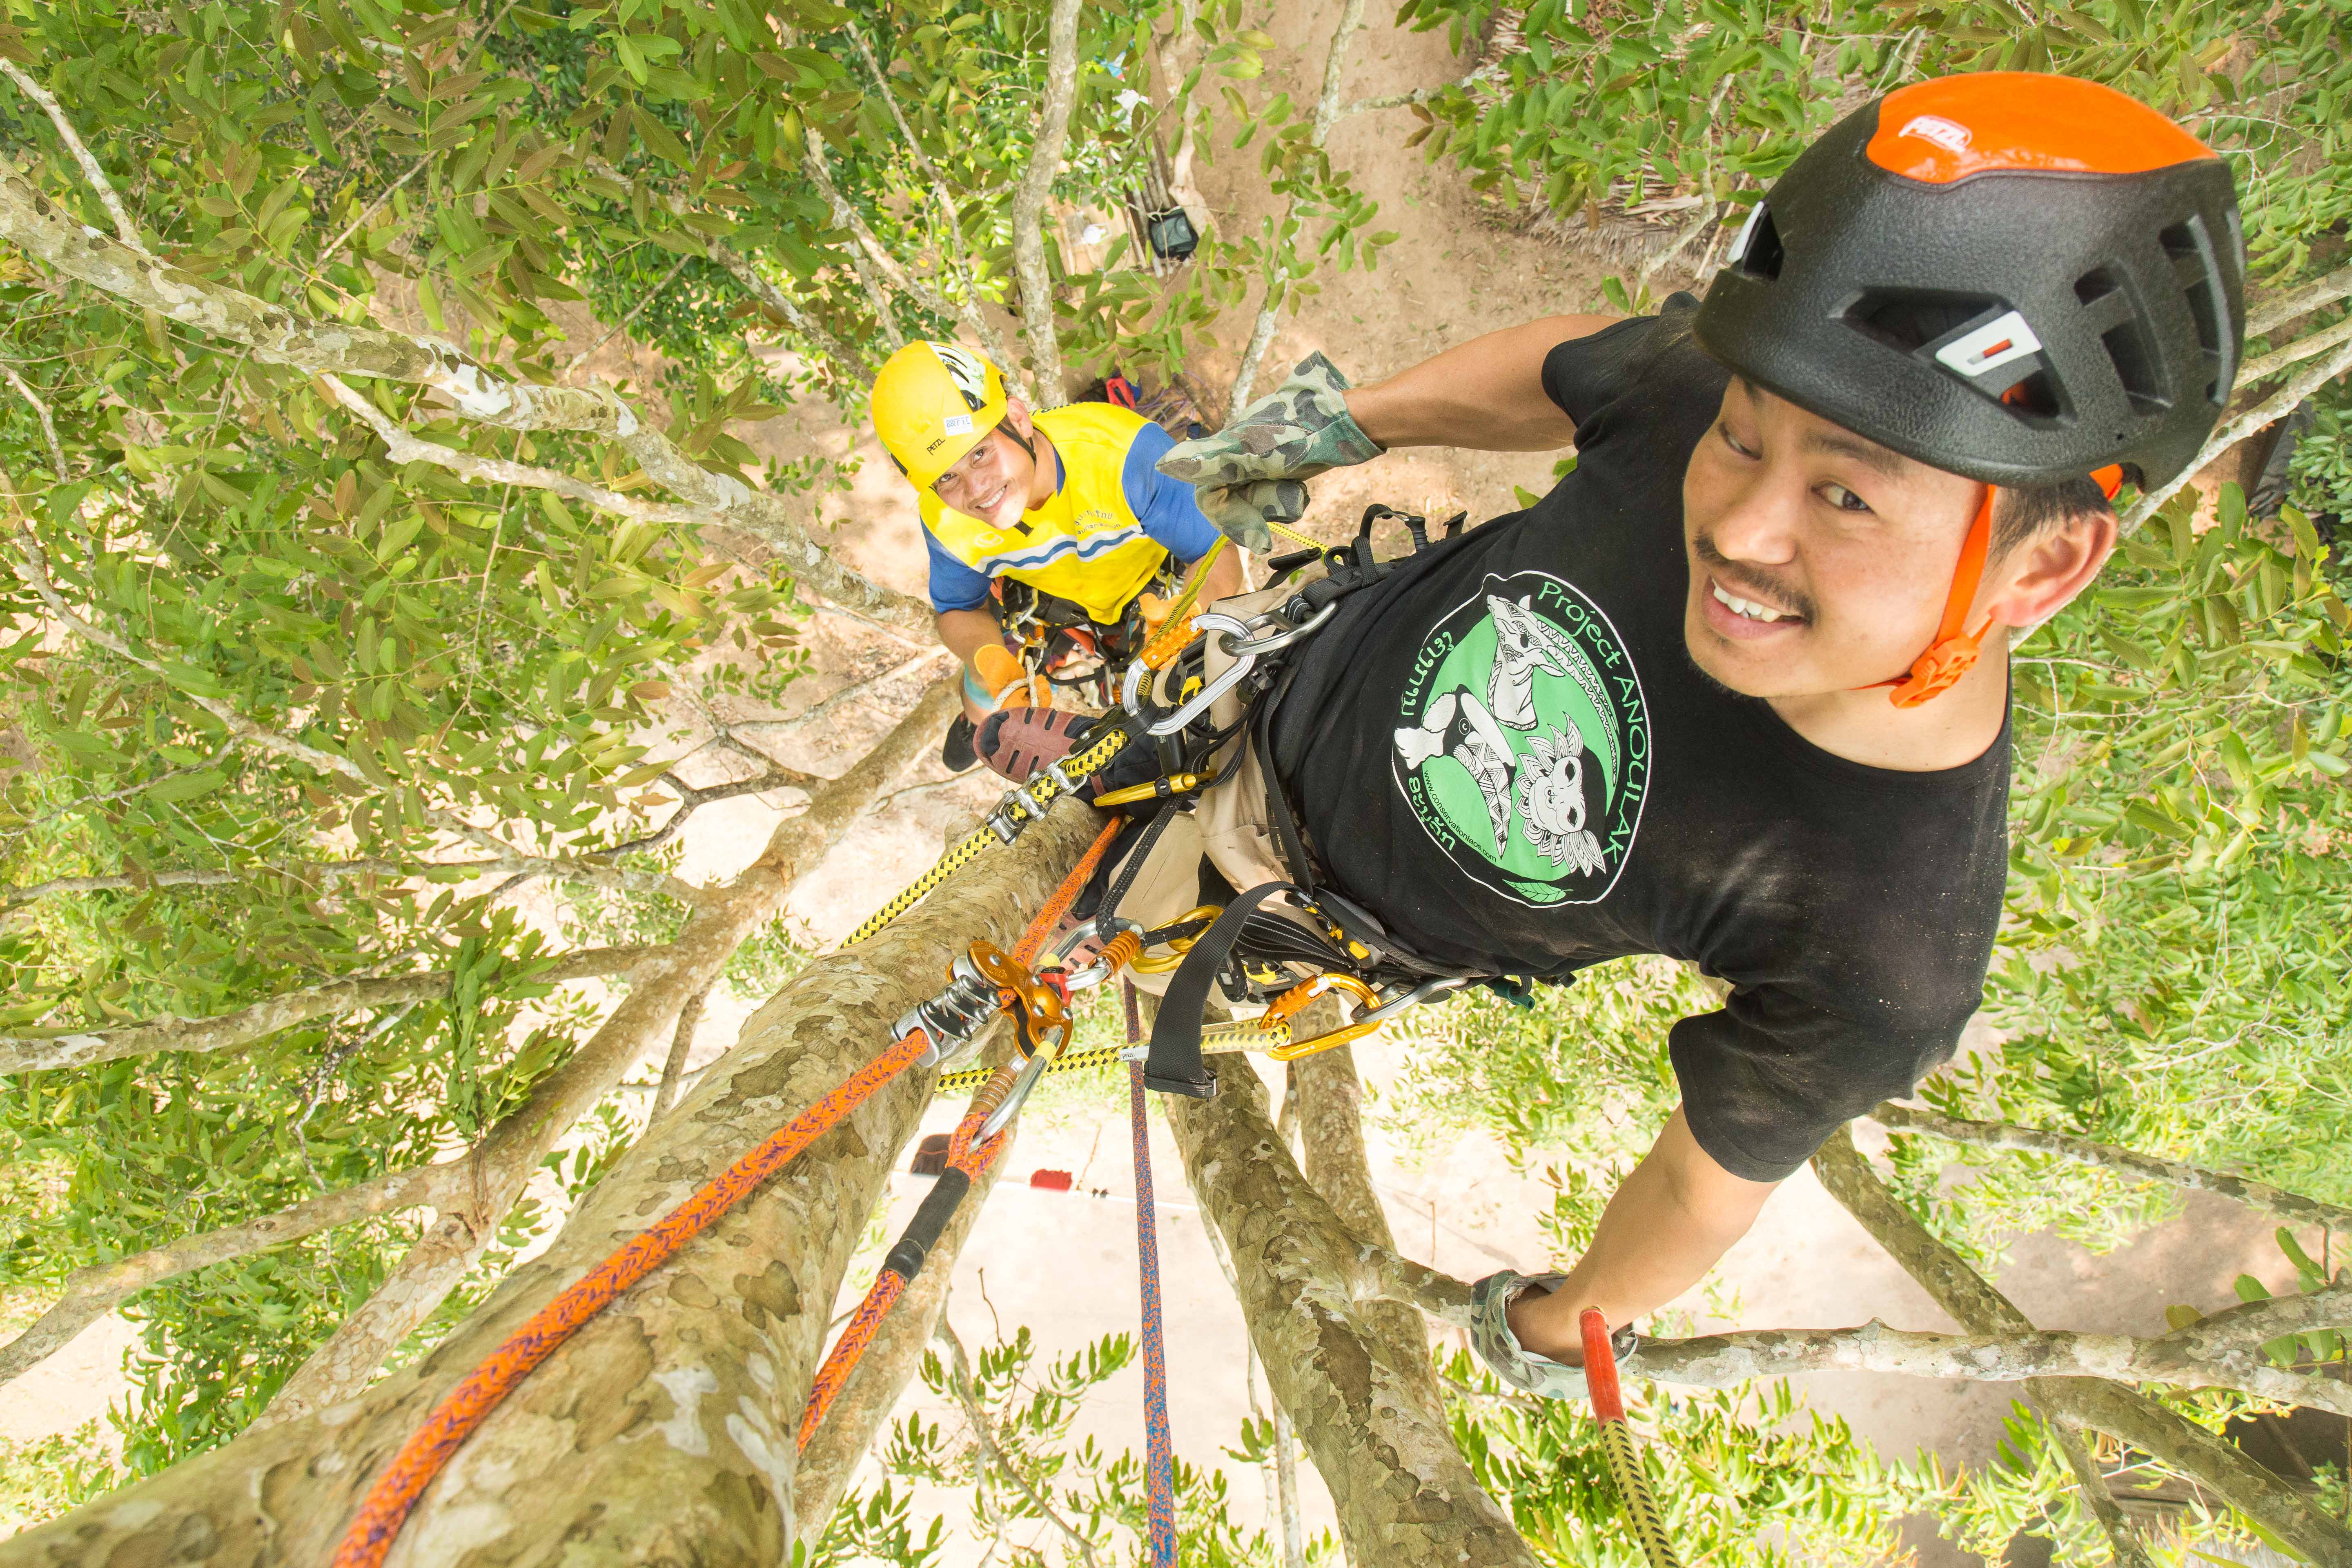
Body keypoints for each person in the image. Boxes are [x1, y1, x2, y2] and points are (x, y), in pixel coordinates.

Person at [1137, 73, 2243, 1389]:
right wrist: (1334, 429)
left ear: (2042, 571)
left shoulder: (1888, 937)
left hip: (1294, 898)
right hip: (1289, 659)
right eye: (1740, 436)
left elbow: (1704, 1186)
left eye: (1844, 494)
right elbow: (1570, 372)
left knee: (1118, 927)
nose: (1740, 525)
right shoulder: (1723, 403)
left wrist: (1566, 1323)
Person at [869, 341, 1245, 777]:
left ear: (1017, 419)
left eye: (979, 453)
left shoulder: (1123, 458)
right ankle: (974, 718)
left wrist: (1194, 617)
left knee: (1180, 698)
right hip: (1041, 599)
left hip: (1147, 592)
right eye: (947, 477)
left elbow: (1214, 552)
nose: (977, 491)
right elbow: (958, 609)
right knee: (983, 678)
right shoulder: (945, 519)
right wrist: (993, 663)